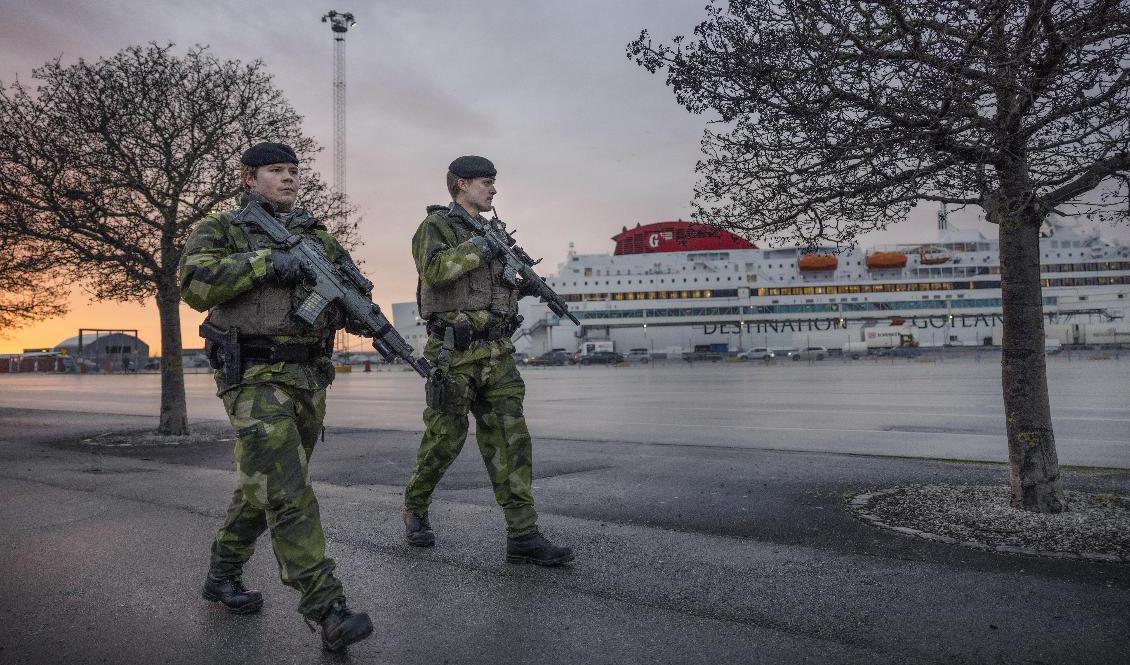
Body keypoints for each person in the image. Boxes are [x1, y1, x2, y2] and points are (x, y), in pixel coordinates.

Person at [178, 142, 373, 651]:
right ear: (248, 177)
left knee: (261, 485)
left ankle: (222, 573)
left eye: (293, 170)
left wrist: (358, 305)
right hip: (253, 377)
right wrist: (267, 262)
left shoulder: (318, 235)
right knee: (287, 489)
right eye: (275, 171)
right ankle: (327, 607)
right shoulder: (221, 230)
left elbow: (350, 296)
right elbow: (196, 285)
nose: (288, 178)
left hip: (308, 378)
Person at [403, 155, 574, 566]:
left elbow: (493, 287)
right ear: (460, 185)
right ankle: (416, 504)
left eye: (494, 182)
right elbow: (437, 272)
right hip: (453, 354)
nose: (493, 190)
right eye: (485, 182)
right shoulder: (435, 227)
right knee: (445, 439)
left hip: (497, 353)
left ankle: (523, 534)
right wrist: (483, 245)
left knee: (512, 440)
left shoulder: (493, 231)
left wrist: (521, 288)